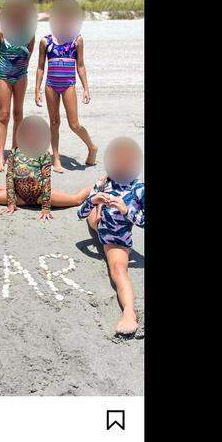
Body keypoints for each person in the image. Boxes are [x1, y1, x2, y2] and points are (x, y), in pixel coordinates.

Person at [77, 137, 145, 336]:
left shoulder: (139, 190)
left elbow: (143, 221)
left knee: (117, 269)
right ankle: (91, 200)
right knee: (92, 209)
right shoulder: (105, 182)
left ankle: (129, 313)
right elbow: (80, 213)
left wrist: (126, 211)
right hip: (98, 224)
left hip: (116, 239)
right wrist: (94, 200)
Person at [35, 0, 98, 172]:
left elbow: (81, 65)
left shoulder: (76, 39)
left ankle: (91, 147)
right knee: (54, 122)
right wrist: (36, 90)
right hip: (50, 85)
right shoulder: (45, 41)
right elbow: (40, 67)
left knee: (74, 124)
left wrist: (86, 88)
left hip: (69, 84)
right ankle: (56, 158)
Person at [0, 0, 36, 172]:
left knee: (19, 114)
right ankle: (1, 156)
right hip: (4, 76)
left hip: (21, 76)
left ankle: (14, 152)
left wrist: (19, 71)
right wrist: (1, 74)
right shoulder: (0, 32)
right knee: (4, 115)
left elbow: (28, 56)